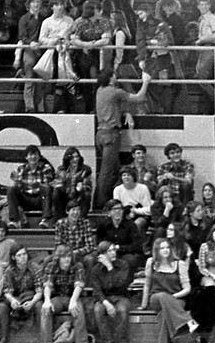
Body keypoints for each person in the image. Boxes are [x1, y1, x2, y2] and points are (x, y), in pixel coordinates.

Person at [95, 68, 152, 208]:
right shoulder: (116, 92)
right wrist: (145, 82)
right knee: (107, 171)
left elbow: (110, 106)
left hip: (101, 134)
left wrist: (126, 112)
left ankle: (113, 200)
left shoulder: (100, 91)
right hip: (111, 134)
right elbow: (139, 97)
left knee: (116, 169)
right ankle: (100, 204)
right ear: (111, 78)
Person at [140, 237, 196, 343]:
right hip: (156, 298)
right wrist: (143, 304)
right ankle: (187, 321)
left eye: (167, 247)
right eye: (162, 248)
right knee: (162, 296)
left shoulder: (180, 264)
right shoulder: (151, 262)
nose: (165, 250)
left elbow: (187, 289)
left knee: (164, 312)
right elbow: (147, 284)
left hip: (176, 298)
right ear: (157, 250)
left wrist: (173, 296)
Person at [39, 245, 88, 343]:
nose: (67, 259)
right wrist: (47, 300)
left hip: (73, 296)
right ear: (58, 258)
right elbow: (47, 284)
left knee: (78, 308)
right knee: (46, 309)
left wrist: (73, 301)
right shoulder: (51, 266)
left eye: (69, 256)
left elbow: (79, 285)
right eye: (63, 257)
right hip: (57, 297)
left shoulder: (77, 265)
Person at [0, 244, 42, 343]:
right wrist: (12, 300)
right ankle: (3, 340)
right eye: (19, 255)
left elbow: (39, 291)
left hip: (31, 297)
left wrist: (32, 302)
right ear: (13, 257)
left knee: (39, 305)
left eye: (24, 254)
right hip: (16, 297)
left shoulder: (35, 268)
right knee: (2, 306)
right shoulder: (9, 270)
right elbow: (7, 291)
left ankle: (41, 341)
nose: (23, 257)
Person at [91, 240, 132, 343]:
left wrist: (110, 268)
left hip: (121, 296)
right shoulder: (95, 270)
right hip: (104, 297)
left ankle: (122, 342)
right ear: (102, 255)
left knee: (122, 310)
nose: (113, 253)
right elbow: (97, 291)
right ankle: (107, 342)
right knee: (98, 309)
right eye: (109, 251)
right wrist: (106, 303)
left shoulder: (123, 265)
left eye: (114, 250)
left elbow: (120, 284)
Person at [193, 224, 215, 343]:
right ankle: (202, 334)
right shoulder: (205, 246)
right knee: (209, 293)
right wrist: (211, 275)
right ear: (212, 233)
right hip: (207, 275)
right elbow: (202, 267)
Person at [8, 145, 56, 229]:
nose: (33, 157)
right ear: (26, 157)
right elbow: (18, 186)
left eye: (35, 155)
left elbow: (46, 184)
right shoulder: (21, 168)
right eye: (30, 155)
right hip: (26, 199)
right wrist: (16, 180)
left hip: (40, 199)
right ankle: (14, 220)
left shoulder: (45, 168)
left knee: (46, 189)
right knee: (11, 189)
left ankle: (45, 220)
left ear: (39, 157)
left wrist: (30, 184)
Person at [95, 199, 144, 274]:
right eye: (114, 209)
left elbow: (137, 245)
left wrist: (120, 248)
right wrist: (106, 250)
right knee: (93, 258)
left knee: (131, 260)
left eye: (119, 209)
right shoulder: (104, 225)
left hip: (124, 253)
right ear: (109, 212)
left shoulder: (130, 225)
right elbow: (99, 241)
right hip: (108, 252)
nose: (117, 211)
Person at [18, 0, 46, 113]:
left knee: (40, 82)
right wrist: (31, 42)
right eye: (34, 2)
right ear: (29, 4)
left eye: (38, 2)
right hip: (29, 51)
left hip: (41, 51)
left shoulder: (43, 18)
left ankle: (41, 108)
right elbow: (22, 36)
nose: (36, 4)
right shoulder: (24, 19)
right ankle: (29, 107)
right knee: (29, 80)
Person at [53, 147, 94, 220]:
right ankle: (59, 218)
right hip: (65, 196)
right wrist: (64, 186)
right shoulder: (61, 169)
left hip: (78, 197)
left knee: (87, 194)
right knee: (56, 193)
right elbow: (58, 183)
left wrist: (82, 187)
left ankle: (82, 219)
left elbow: (88, 186)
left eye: (77, 157)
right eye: (72, 158)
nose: (75, 159)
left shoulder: (85, 170)